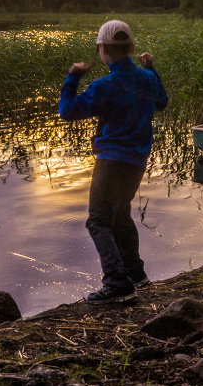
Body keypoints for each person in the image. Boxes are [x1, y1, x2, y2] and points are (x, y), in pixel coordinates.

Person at [60, 20, 168, 303]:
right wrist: (151, 68)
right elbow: (162, 101)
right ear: (132, 48)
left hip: (110, 161)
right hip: (137, 161)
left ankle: (117, 281)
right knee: (120, 214)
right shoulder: (146, 78)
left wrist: (73, 77)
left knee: (98, 220)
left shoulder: (104, 85)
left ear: (102, 50)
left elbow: (67, 111)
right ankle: (137, 275)